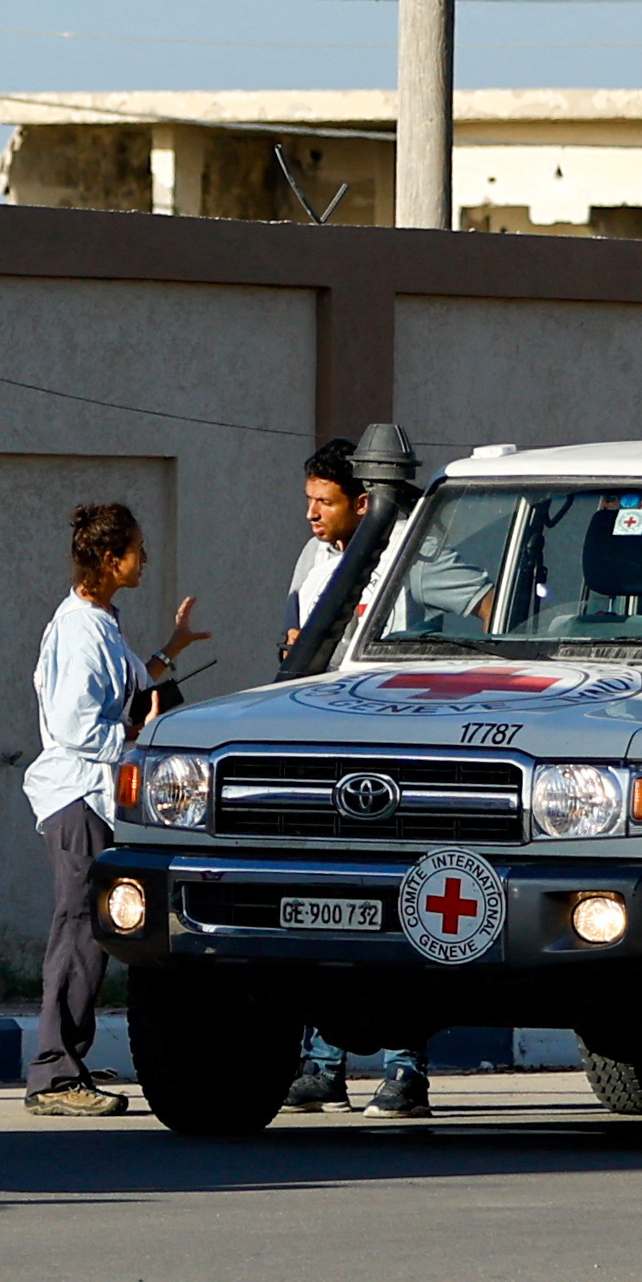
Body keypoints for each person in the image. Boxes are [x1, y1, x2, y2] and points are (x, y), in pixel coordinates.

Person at [24, 501, 200, 1119]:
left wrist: (169, 653)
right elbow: (76, 726)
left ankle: (65, 1063)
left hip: (96, 795)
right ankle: (54, 1073)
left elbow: (125, 687)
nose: (145, 558)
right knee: (79, 927)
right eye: (136, 549)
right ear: (108, 558)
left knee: (93, 928)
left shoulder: (101, 623)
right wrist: (134, 738)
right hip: (78, 795)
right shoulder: (78, 629)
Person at [277, 440, 432, 1120]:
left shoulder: (409, 555)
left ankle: (404, 1070)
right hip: (323, 752)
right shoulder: (315, 559)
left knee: (399, 912)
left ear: (365, 501)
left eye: (326, 501)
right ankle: (323, 1065)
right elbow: (293, 636)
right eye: (308, 499)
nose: (311, 513)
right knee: (321, 908)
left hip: (394, 755)